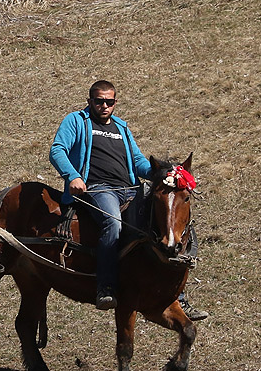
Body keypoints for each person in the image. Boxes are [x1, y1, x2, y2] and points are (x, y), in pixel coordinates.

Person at [49, 80, 207, 319]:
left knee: (168, 219)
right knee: (113, 223)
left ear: (115, 102)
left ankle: (178, 298)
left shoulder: (121, 128)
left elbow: (138, 161)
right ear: (90, 101)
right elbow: (57, 150)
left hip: (131, 188)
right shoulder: (77, 121)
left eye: (109, 102)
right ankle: (106, 286)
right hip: (98, 189)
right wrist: (72, 176)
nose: (104, 106)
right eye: (99, 101)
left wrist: (164, 174)